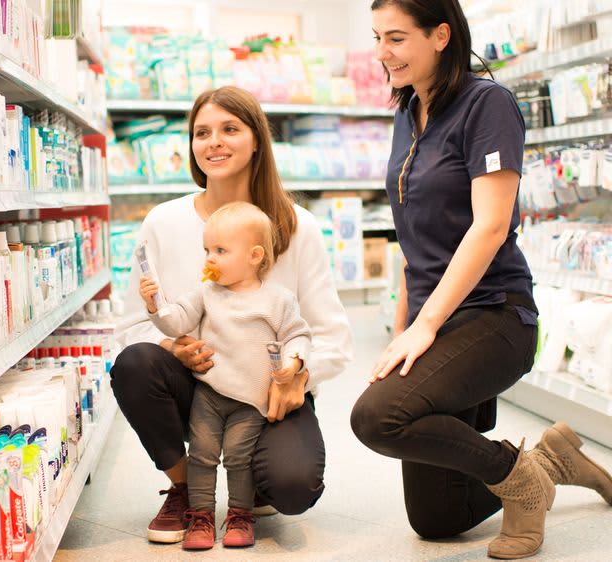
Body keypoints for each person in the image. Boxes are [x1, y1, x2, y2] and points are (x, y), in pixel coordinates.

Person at [349, 1, 612, 560]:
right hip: (434, 319)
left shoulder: (486, 105)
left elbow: (490, 227)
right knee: (438, 520)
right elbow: (410, 241)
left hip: (495, 315)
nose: (381, 53)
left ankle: (522, 482)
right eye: (376, 37)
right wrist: (401, 331)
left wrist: (423, 328)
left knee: (376, 418)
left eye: (395, 38)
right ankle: (550, 460)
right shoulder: (407, 113)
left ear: (441, 35)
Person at [112, 85, 353, 545]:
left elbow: (331, 337)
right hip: (196, 388)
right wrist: (173, 347)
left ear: (258, 139)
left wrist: (297, 373)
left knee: (293, 486)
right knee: (136, 363)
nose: (213, 142)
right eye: (201, 132)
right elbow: (130, 329)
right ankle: (184, 489)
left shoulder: (298, 226)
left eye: (229, 129)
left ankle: (256, 477)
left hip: (269, 393)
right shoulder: (163, 222)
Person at [138, 201, 312, 550]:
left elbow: (298, 335)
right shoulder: (206, 294)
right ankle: (200, 517)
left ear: (254, 255)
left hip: (251, 400)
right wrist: (156, 305)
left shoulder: (278, 300)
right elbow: (175, 321)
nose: (209, 259)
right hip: (210, 393)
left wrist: (293, 365)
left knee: (237, 456)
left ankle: (240, 515)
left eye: (220, 250)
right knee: (201, 453)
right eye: (206, 250)